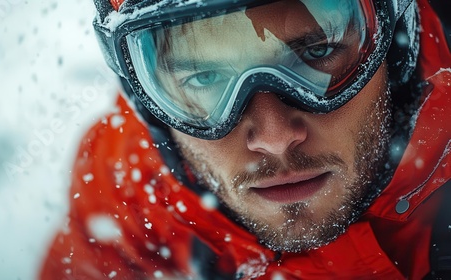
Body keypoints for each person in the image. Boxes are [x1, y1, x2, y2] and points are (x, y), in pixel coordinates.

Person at [40, 0, 450, 278]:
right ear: (148, 102)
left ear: (397, 45)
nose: (274, 138)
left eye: (319, 51)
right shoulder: (131, 179)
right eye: (204, 78)